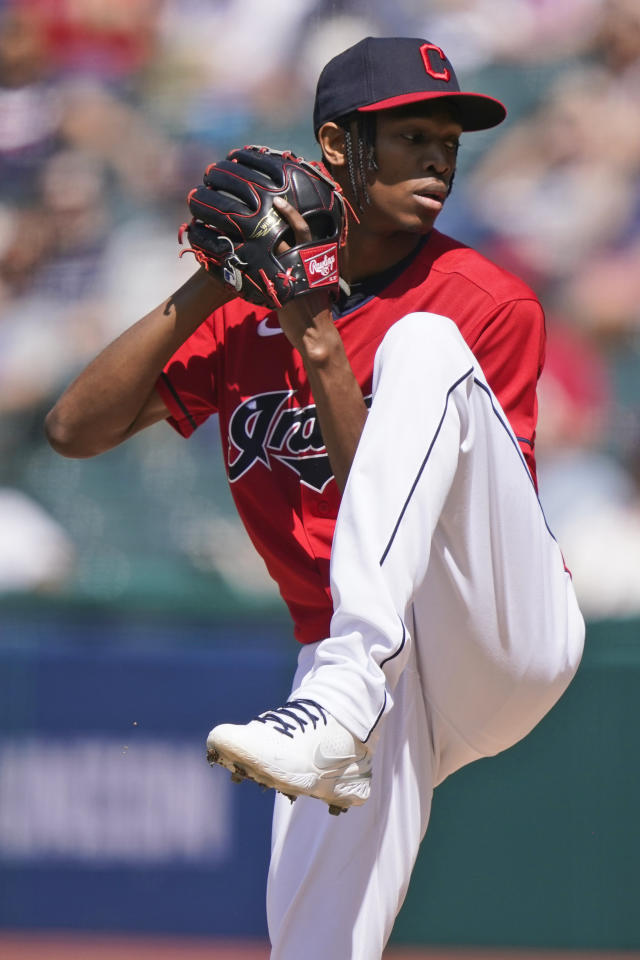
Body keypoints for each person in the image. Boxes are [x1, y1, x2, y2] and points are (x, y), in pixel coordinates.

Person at [45, 36, 585, 960]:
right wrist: (212, 279)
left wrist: (315, 328)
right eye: (413, 135)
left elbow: (374, 482)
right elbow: (74, 430)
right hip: (364, 675)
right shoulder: (241, 311)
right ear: (337, 146)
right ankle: (345, 697)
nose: (439, 160)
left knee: (420, 347)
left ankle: (345, 691)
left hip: (490, 629)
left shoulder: (483, 298)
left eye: (448, 141)